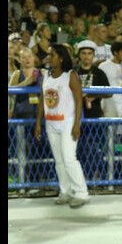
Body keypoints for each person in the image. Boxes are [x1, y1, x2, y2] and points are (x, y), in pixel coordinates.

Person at [34, 44, 89, 208]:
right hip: (51, 123)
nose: (49, 58)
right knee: (59, 160)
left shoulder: (70, 75)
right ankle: (65, 191)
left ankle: (81, 192)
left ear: (61, 58)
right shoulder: (47, 76)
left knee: (69, 157)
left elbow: (79, 100)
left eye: (53, 55)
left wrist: (76, 124)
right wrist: (38, 123)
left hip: (67, 122)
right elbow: (42, 100)